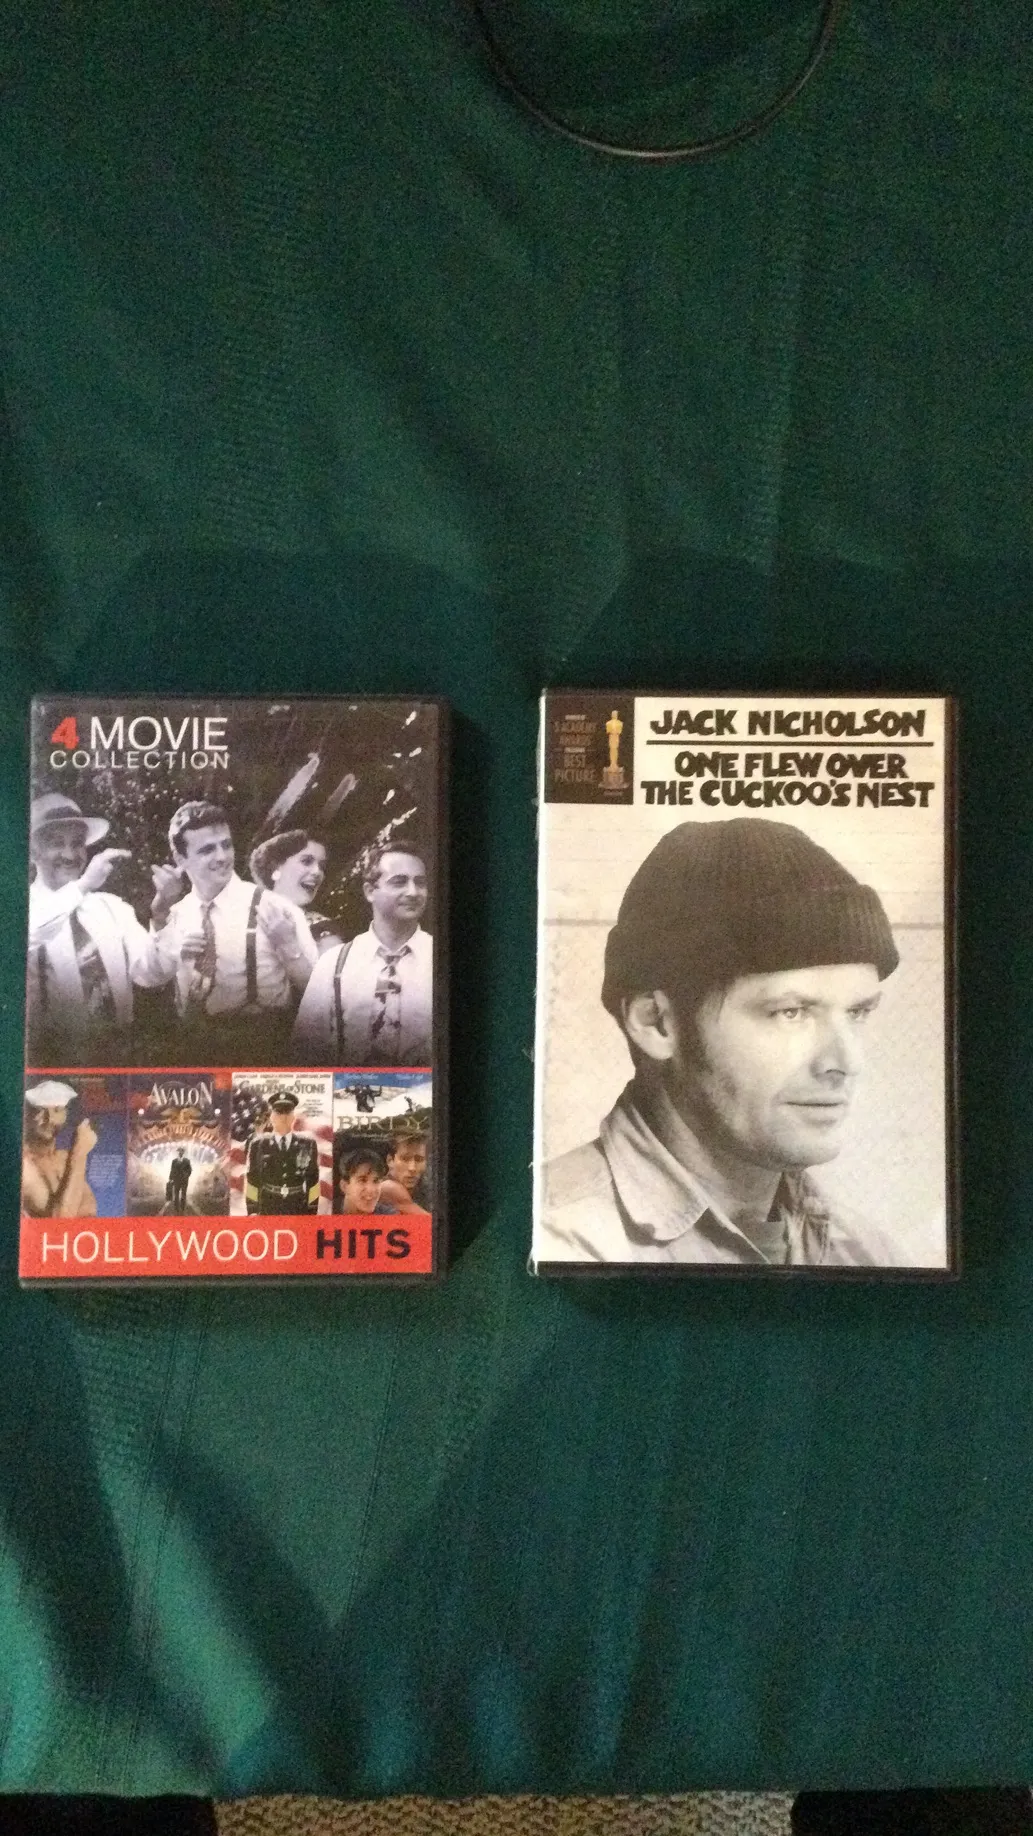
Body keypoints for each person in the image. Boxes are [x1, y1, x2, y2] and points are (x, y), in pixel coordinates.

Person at [537, 819, 904, 1268]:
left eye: (857, 1012)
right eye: (791, 1012)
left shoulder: (867, 1252)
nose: (845, 1061)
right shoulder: (556, 1241)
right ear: (657, 1023)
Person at [134, 802, 318, 1063]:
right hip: (195, 1053)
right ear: (180, 859)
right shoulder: (176, 914)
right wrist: (161, 914)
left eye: (226, 845)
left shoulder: (276, 908)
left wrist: (289, 948)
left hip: (262, 1053)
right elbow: (149, 977)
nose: (222, 857)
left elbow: (320, 994)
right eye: (207, 849)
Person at [26, 793, 151, 1061]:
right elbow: (28, 935)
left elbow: (150, 973)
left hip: (118, 1053)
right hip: (51, 1057)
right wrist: (82, 886)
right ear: (34, 851)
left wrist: (162, 915)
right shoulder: (22, 906)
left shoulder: (111, 906)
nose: (70, 855)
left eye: (77, 844)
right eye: (57, 844)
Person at [293, 842, 432, 1065]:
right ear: (370, 891)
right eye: (399, 882)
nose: (413, 892)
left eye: (420, 883)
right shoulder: (335, 962)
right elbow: (307, 1050)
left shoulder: (440, 960)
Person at [249, 829, 344, 953]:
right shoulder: (242, 919)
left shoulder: (322, 930)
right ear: (275, 867)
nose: (317, 872)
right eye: (306, 861)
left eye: (322, 866)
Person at [21, 1080, 98, 1219]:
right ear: (27, 1115)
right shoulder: (25, 1164)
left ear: (65, 1115)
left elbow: (89, 1210)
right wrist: (80, 1153)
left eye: (57, 1110)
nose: (49, 1119)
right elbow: (60, 1222)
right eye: (40, 1111)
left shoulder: (65, 1158)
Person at [244, 1090, 321, 1215]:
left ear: (293, 1117)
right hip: (268, 1206)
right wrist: (252, 1210)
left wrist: (312, 1210)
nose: (284, 1117)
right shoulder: (258, 1144)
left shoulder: (308, 1144)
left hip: (297, 1206)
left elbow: (313, 1183)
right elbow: (252, 1181)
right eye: (279, 1112)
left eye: (288, 1112)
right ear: (272, 1117)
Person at [334, 1145, 392, 1216]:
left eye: (376, 1181)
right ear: (344, 1186)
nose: (371, 1189)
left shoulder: (389, 1215)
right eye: (362, 1180)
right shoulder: (326, 1210)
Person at [380, 1132, 431, 1213]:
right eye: (405, 1159)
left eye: (419, 1160)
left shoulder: (431, 1190)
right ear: (390, 1160)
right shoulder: (382, 1188)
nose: (412, 1168)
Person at [168, 1149, 193, 1214]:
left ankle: (182, 1207)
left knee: (183, 1194)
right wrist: (170, 1178)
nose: (180, 1152)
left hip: (184, 1180)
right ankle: (176, 1208)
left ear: (183, 1153)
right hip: (176, 1180)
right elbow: (172, 1170)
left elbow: (190, 1170)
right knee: (176, 1194)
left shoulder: (187, 1161)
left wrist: (186, 1176)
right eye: (179, 1151)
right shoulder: (174, 1161)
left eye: (181, 1151)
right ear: (178, 1153)